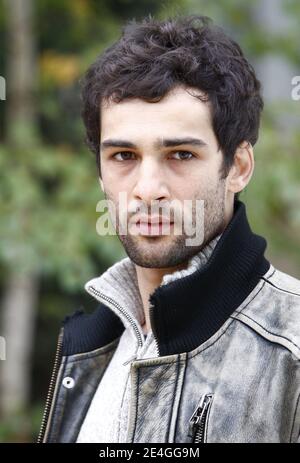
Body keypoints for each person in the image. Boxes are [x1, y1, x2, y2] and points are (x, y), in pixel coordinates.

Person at [38, 14, 300, 443]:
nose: (147, 189)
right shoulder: (87, 346)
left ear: (238, 166)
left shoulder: (292, 350)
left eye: (180, 154)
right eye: (123, 156)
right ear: (101, 173)